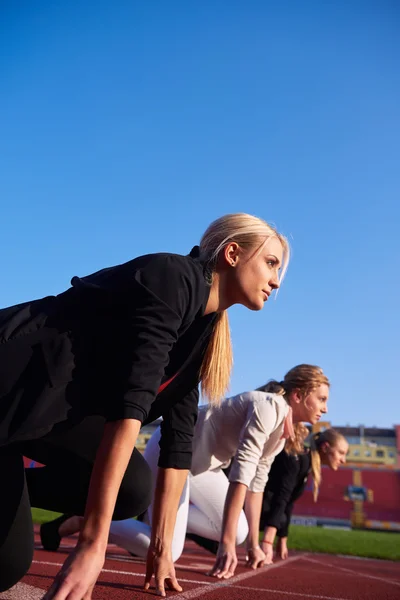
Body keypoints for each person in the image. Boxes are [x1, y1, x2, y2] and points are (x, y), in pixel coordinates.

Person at [0, 213, 289, 598]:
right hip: (11, 386)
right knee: (7, 564)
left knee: (133, 489)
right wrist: (92, 543)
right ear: (233, 253)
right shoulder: (172, 277)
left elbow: (178, 444)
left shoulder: (202, 335)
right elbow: (129, 408)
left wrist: (162, 550)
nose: (276, 281)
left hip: (41, 417)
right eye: (271, 263)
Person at [86, 364, 329, 580]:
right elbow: (241, 474)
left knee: (239, 532)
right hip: (170, 453)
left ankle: (167, 520)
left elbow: (255, 486)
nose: (325, 409)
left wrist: (254, 544)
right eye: (321, 399)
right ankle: (90, 518)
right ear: (298, 395)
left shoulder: (282, 432)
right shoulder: (267, 407)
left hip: (203, 468)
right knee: (169, 550)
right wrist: (225, 545)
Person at [260, 428, 348, 561]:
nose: (343, 460)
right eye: (341, 453)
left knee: (282, 517)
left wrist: (282, 539)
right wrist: (267, 542)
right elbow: (281, 498)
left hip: (262, 505)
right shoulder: (298, 459)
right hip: (250, 504)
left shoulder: (306, 464)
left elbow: (288, 503)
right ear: (325, 447)